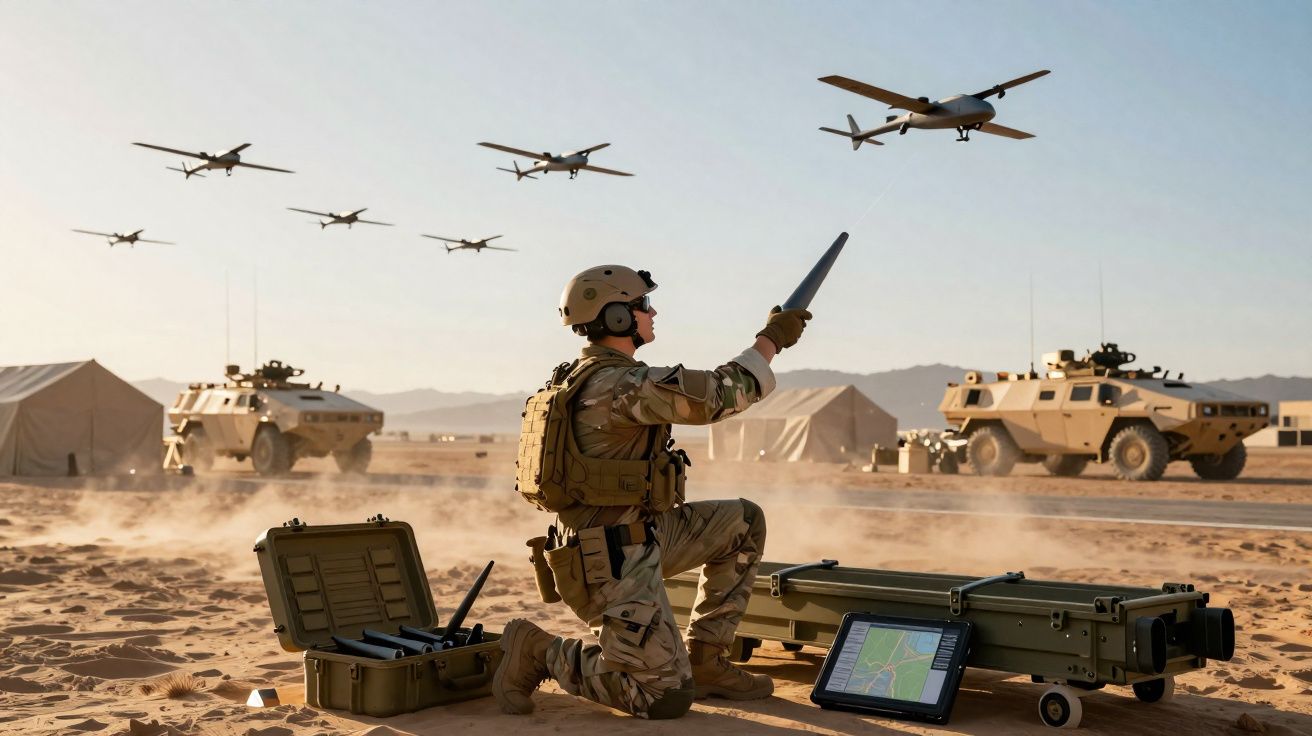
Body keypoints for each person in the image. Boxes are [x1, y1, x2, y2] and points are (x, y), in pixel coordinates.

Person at [495, 265, 811, 719]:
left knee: (742, 521)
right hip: (610, 561)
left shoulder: (591, 376)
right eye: (643, 305)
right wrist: (772, 339)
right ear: (618, 317)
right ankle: (539, 650)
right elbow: (721, 394)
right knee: (660, 696)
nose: (652, 311)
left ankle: (706, 662)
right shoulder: (617, 385)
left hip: (637, 536)